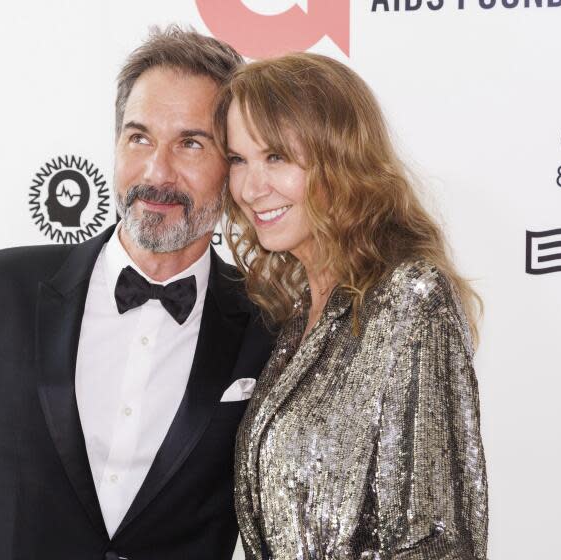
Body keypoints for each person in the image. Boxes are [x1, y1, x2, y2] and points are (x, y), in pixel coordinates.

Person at [0, 27, 274, 560]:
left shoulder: (270, 324)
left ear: (231, 167)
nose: (156, 172)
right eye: (139, 138)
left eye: (190, 143)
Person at [213, 53, 488, 559]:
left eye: (276, 157)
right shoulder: (296, 314)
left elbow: (438, 542)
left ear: (340, 158)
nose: (252, 189)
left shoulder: (410, 299)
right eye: (238, 159)